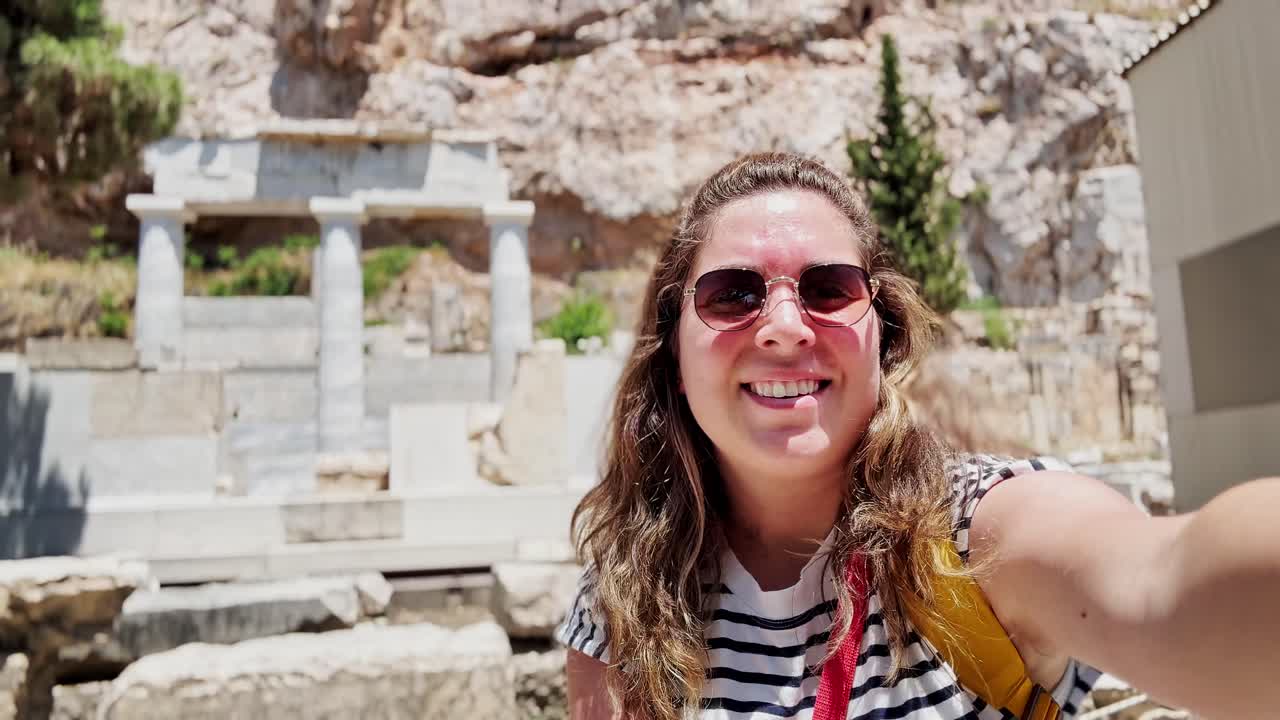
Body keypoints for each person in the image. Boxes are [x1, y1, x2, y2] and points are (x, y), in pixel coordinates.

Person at [555, 152, 1280, 720]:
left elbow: (1163, 582)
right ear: (674, 357)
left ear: (885, 340)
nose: (782, 324)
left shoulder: (976, 539)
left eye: (828, 288)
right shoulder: (621, 599)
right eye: (733, 294)